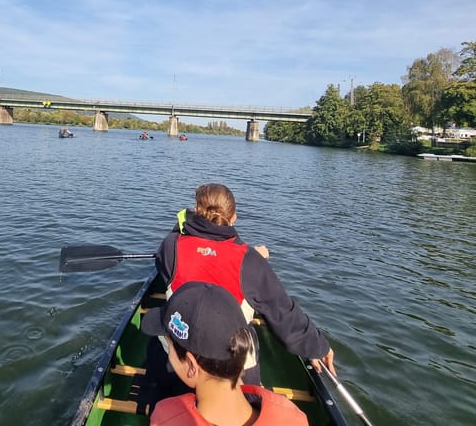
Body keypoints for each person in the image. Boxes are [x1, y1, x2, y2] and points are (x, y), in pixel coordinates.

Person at [155, 183, 335, 380]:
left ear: (196, 210)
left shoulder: (171, 246)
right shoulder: (250, 261)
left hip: (182, 359)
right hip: (233, 364)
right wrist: (316, 346)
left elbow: (164, 267)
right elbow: (282, 311)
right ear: (234, 218)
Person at [141, 281, 308, 426]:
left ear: (191, 365)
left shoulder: (166, 417)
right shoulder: (293, 416)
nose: (169, 353)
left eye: (169, 347)